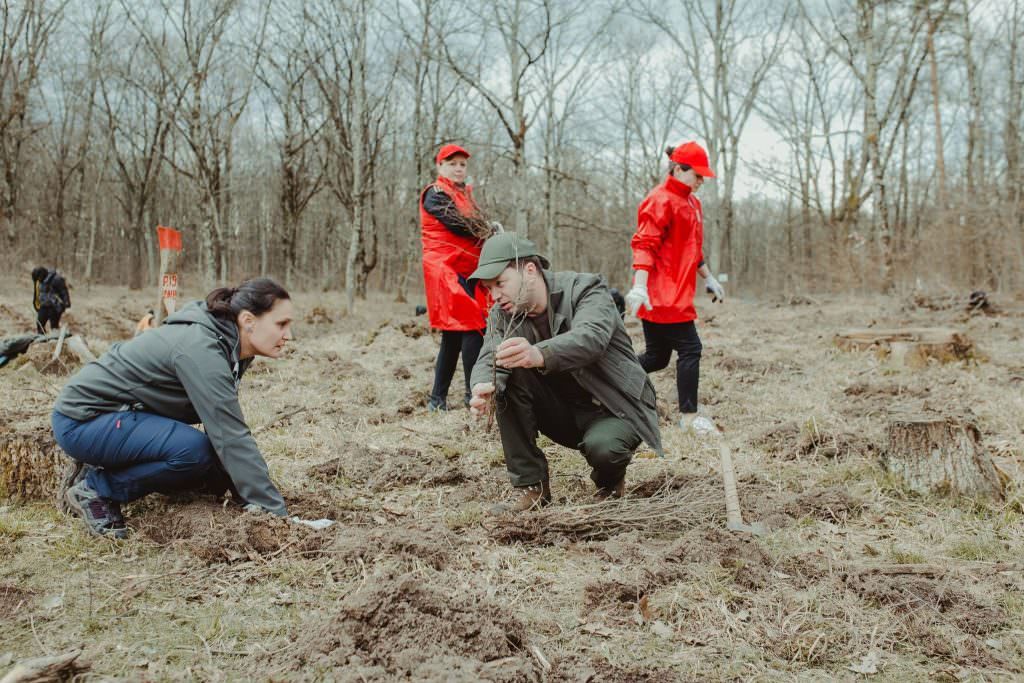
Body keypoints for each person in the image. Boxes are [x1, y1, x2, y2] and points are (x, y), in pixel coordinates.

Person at [51, 278, 295, 539]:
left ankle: (114, 468)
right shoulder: (202, 349)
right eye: (281, 324)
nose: (289, 335)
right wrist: (275, 516)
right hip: (84, 419)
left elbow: (221, 429)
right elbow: (230, 434)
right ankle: (97, 488)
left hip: (125, 415)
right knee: (193, 452)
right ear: (248, 320)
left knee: (216, 470)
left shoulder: (230, 345)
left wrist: (244, 494)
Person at [468, 233, 663, 513]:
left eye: (500, 283)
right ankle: (532, 488)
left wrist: (539, 354)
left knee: (605, 449)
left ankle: (609, 483)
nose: (495, 296)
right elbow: (491, 354)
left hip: (615, 406)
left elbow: (591, 338)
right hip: (564, 411)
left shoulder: (586, 289)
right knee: (506, 374)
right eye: (489, 288)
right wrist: (483, 387)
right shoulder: (503, 314)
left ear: (530, 271)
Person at [625, 142, 725, 435]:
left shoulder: (693, 203)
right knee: (691, 349)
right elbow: (645, 245)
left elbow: (692, 249)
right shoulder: (660, 200)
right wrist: (640, 286)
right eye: (697, 175)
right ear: (678, 169)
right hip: (662, 295)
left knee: (657, 357)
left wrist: (709, 278)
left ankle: (609, 379)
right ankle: (690, 417)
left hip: (679, 292)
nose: (701, 181)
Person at [419, 143, 496, 411]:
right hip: (445, 270)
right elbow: (459, 224)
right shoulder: (436, 193)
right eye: (453, 163)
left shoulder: (465, 194)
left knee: (453, 336)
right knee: (473, 325)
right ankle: (471, 395)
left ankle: (437, 400)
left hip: (465, 269)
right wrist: (488, 228)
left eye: (462, 164)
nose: (459, 168)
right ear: (440, 166)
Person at [31, 266, 71, 334]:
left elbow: (64, 291)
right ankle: (42, 341)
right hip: (43, 305)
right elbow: (36, 293)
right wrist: (35, 303)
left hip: (55, 306)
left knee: (54, 327)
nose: (38, 281)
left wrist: (66, 303)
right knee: (40, 324)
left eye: (39, 279)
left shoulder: (57, 279)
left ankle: (54, 342)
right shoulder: (38, 280)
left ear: (42, 275)